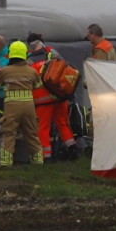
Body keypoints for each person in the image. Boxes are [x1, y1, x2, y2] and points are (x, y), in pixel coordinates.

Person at [27, 33, 78, 162]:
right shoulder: (54, 55)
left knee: (43, 128)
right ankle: (72, 148)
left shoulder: (29, 62)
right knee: (63, 123)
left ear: (31, 47)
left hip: (43, 101)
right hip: (60, 96)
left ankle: (46, 156)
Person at [0, 40, 44, 167]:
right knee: (31, 133)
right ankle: (38, 161)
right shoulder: (31, 71)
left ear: (11, 54)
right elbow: (38, 86)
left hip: (11, 106)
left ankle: (6, 162)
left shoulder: (5, 71)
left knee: (8, 133)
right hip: (28, 106)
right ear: (25, 54)